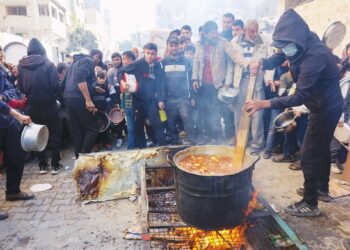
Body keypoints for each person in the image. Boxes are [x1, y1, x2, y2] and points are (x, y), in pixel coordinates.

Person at [245, 9, 343, 217]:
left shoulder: (315, 56)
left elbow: (299, 96)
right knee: (321, 148)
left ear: (296, 40)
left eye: (285, 46)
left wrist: (265, 103)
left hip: (325, 108)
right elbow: (278, 56)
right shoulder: (298, 44)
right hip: (321, 103)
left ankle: (310, 203)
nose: (283, 50)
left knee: (308, 153)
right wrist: (261, 62)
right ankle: (320, 189)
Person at [192, 20, 256, 143]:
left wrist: (247, 65)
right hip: (204, 84)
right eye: (212, 33)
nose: (215, 35)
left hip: (219, 85)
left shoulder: (223, 43)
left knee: (218, 112)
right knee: (206, 111)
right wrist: (195, 78)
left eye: (216, 32)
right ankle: (208, 136)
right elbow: (196, 62)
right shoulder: (199, 44)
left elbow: (234, 57)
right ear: (205, 34)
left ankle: (218, 137)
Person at [17, 38, 63, 175]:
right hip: (49, 104)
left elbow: (21, 87)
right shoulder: (48, 64)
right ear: (42, 50)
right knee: (54, 133)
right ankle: (55, 165)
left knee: (37, 134)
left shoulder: (21, 66)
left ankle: (42, 165)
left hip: (32, 106)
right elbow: (55, 86)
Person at [230, 19, 274, 153]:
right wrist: (228, 83)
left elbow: (269, 62)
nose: (253, 34)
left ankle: (256, 144)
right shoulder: (235, 42)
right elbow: (232, 62)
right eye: (251, 31)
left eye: (255, 31)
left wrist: (269, 79)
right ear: (244, 29)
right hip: (241, 80)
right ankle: (241, 141)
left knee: (257, 113)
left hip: (257, 80)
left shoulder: (265, 41)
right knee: (240, 112)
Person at [118, 43, 166, 148]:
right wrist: (122, 83)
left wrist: (161, 100)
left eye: (152, 54)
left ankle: (162, 147)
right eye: (147, 53)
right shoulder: (138, 64)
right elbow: (120, 71)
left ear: (156, 54)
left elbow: (161, 84)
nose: (150, 56)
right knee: (138, 126)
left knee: (156, 123)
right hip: (138, 100)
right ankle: (141, 148)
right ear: (144, 53)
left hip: (152, 100)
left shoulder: (158, 65)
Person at [0, 100, 34, 220]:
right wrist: (19, 116)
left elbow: (9, 92)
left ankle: (13, 191)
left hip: (7, 122)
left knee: (16, 157)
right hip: (8, 116)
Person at [64, 51, 98, 158]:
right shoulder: (89, 60)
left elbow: (70, 82)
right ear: (96, 57)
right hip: (79, 98)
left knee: (78, 131)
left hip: (69, 98)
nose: (96, 64)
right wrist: (88, 99)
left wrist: (93, 88)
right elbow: (80, 78)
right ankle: (84, 158)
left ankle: (79, 160)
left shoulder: (74, 63)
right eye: (97, 61)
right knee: (92, 130)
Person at [162, 36, 195, 145]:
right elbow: (160, 82)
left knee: (187, 120)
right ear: (167, 46)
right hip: (169, 99)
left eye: (176, 45)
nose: (174, 47)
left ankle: (192, 142)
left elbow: (190, 80)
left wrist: (192, 97)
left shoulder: (186, 61)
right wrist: (161, 99)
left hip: (183, 98)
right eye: (171, 45)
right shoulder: (163, 62)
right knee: (171, 124)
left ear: (179, 46)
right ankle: (174, 144)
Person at [107, 52, 127, 148]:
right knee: (118, 118)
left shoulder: (125, 68)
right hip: (116, 97)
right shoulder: (110, 72)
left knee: (130, 116)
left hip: (127, 94)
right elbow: (110, 87)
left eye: (118, 59)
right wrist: (115, 99)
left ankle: (131, 134)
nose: (116, 61)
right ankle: (119, 137)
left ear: (121, 59)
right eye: (114, 60)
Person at [120, 51, 137, 149]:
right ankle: (131, 147)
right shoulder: (123, 73)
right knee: (130, 127)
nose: (123, 61)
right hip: (128, 103)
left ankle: (140, 145)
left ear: (131, 60)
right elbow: (123, 92)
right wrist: (122, 106)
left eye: (125, 59)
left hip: (138, 103)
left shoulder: (137, 71)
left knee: (138, 126)